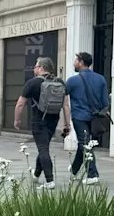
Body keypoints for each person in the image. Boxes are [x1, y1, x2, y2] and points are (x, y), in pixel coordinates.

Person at [14, 56, 71, 189]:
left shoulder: (32, 83)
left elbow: (20, 104)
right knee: (44, 146)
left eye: (35, 66)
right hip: (53, 120)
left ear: (41, 68)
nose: (34, 69)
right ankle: (36, 174)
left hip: (38, 120)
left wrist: (17, 120)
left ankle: (50, 180)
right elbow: (66, 105)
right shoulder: (61, 83)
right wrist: (67, 124)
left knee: (43, 149)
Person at [65, 51, 110, 185]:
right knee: (84, 143)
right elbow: (105, 103)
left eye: (76, 61)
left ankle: (92, 174)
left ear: (81, 63)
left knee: (84, 144)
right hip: (95, 117)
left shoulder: (72, 81)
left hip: (79, 116)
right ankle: (74, 170)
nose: (74, 63)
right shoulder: (100, 79)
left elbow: (62, 97)